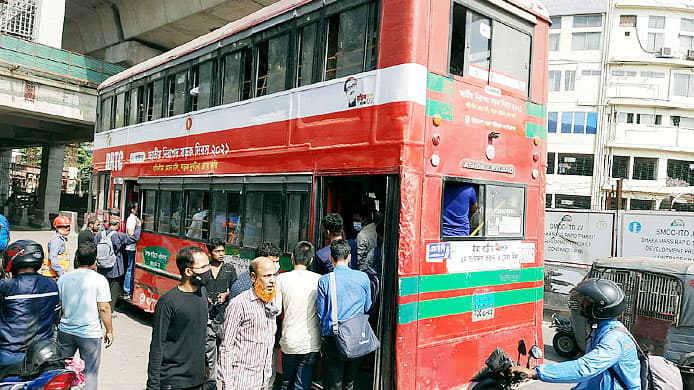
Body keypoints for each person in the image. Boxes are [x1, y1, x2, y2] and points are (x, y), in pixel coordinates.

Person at [512, 279, 641, 389]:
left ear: (600, 308)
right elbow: (592, 378)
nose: (582, 304)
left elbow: (585, 368)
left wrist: (535, 372)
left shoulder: (614, 339)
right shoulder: (599, 330)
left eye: (587, 301)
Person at [146, 246, 210, 390]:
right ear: (188, 271)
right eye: (203, 267)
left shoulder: (202, 293)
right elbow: (157, 346)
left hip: (197, 379)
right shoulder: (168, 302)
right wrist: (153, 385)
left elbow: (199, 335)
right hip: (173, 381)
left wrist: (205, 364)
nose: (208, 270)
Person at [316, 239, 372, 390]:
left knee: (333, 384)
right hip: (356, 336)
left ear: (331, 258)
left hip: (333, 338)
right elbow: (368, 306)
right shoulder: (363, 277)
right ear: (349, 257)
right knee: (349, 382)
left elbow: (321, 314)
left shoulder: (325, 280)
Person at [57, 243, 113, 390]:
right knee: (90, 374)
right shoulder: (100, 280)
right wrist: (110, 330)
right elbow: (104, 308)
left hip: (65, 331)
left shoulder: (64, 279)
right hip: (90, 334)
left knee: (61, 371)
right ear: (95, 260)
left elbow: (59, 307)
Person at [219, 257, 280, 390]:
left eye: (274, 275)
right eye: (267, 276)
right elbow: (226, 347)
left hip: (262, 381)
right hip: (241, 382)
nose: (272, 280)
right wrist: (228, 384)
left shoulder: (270, 302)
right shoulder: (239, 304)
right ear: (253, 277)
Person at [0, 240, 60, 368]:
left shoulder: (6, 286)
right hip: (44, 353)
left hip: (10, 354)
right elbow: (56, 318)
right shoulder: (52, 285)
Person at [275, 241, 321, 390]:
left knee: (286, 382)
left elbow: (276, 309)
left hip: (289, 341)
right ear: (311, 260)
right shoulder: (319, 280)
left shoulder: (281, 279)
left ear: (292, 257)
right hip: (311, 342)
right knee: (302, 384)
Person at [204, 238, 237, 390]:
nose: (221, 254)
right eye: (217, 251)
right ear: (210, 253)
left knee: (225, 354)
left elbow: (235, 290)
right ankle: (211, 384)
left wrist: (226, 294)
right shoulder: (204, 270)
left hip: (225, 318)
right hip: (208, 318)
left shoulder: (230, 269)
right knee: (209, 355)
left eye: (223, 251)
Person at [94, 218, 141, 314]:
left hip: (101, 266)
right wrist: (139, 226)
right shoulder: (118, 236)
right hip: (114, 267)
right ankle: (108, 311)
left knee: (102, 288)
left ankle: (99, 307)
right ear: (117, 225)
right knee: (113, 290)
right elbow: (134, 238)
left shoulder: (99, 234)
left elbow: (93, 247)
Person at [123, 202, 141, 302]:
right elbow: (131, 234)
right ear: (132, 209)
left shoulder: (135, 218)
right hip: (131, 248)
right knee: (130, 269)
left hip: (134, 248)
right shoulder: (131, 219)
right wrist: (138, 227)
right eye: (137, 208)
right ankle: (127, 291)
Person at [353, 205, 377, 271]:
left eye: (356, 220)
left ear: (365, 219)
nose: (354, 223)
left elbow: (358, 259)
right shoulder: (375, 229)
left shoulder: (362, 235)